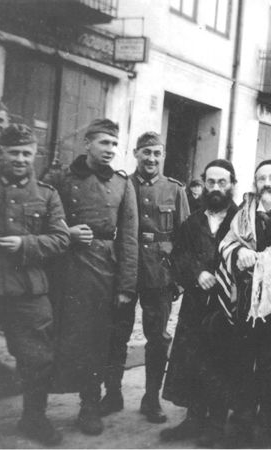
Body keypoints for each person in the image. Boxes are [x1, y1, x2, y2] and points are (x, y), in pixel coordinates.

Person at [44, 119, 139, 436]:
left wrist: (126, 284)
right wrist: (65, 233)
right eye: (104, 143)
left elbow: (128, 237)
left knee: (97, 340)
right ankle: (38, 408)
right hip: (63, 268)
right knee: (54, 335)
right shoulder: (60, 177)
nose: (110, 150)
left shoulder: (123, 184)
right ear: (87, 144)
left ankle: (89, 405)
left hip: (103, 271)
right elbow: (40, 217)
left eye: (114, 144)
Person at [0, 124, 70, 445]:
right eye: (14, 152)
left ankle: (34, 419)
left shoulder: (46, 194)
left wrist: (26, 244)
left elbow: (60, 239)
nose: (20, 159)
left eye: (26, 153)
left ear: (35, 155)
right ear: (0, 152)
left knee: (37, 358)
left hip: (28, 290)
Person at [214, 159, 271, 447]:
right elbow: (226, 242)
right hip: (244, 303)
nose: (267, 183)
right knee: (242, 365)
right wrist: (239, 252)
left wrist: (266, 257)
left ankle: (268, 429)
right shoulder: (244, 212)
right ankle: (240, 424)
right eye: (261, 178)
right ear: (255, 183)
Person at [99, 132, 189, 423]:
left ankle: (151, 399)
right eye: (146, 152)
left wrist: (177, 278)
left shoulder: (175, 190)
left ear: (163, 156)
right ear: (136, 153)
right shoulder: (122, 185)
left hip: (159, 275)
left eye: (157, 153)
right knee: (116, 334)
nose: (151, 159)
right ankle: (112, 393)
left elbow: (185, 239)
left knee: (157, 338)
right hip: (123, 270)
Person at [161, 159, 240, 446]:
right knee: (193, 360)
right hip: (196, 304)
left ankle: (216, 424)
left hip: (227, 307)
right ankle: (194, 420)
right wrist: (197, 272)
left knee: (221, 362)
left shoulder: (242, 219)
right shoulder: (192, 222)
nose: (216, 188)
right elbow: (178, 257)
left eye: (222, 182)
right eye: (211, 182)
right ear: (203, 184)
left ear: (232, 184)